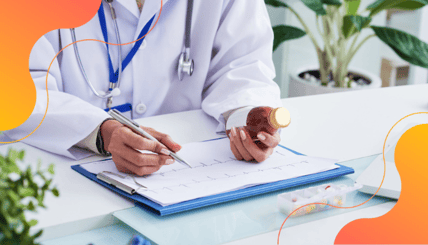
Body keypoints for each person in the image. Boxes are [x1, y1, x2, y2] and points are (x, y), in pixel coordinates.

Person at [5, 0, 282, 176]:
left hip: (188, 174)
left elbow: (246, 62)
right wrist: (101, 132)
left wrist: (246, 116)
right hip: (66, 174)